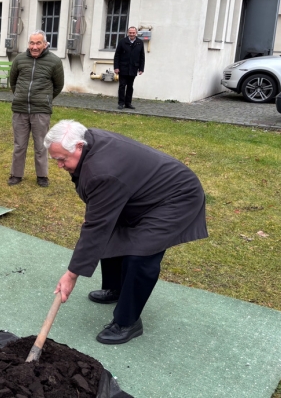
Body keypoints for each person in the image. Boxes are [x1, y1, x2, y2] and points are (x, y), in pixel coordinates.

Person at [44, 119, 208, 345]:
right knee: (113, 232)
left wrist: (71, 275)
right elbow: (101, 222)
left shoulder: (102, 171)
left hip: (176, 197)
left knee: (140, 255)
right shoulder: (88, 141)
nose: (59, 166)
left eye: (62, 159)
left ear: (79, 146)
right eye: (56, 160)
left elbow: (95, 227)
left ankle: (127, 322)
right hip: (140, 192)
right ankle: (116, 288)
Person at [8, 30, 64, 188]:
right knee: (19, 144)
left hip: (41, 110)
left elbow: (58, 85)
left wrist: (45, 98)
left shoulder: (54, 62)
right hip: (20, 109)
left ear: (45, 44)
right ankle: (16, 174)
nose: (34, 46)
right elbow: (13, 81)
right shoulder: (19, 59)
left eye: (38, 43)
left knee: (41, 145)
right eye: (32, 43)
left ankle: (42, 175)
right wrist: (20, 95)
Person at [113, 27, 145, 110]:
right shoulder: (122, 42)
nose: (132, 34)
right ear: (128, 33)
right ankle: (121, 103)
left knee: (130, 86)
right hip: (123, 68)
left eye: (133, 33)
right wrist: (116, 67)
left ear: (136, 33)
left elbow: (142, 57)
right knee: (122, 86)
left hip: (133, 68)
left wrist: (141, 69)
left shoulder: (140, 43)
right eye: (130, 32)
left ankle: (128, 103)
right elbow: (117, 55)